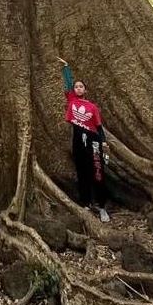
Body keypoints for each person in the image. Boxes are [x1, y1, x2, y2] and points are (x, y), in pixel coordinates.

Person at [58, 56, 110, 222]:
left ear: (85, 90)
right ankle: (86, 204)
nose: (78, 88)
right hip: (78, 140)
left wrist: (103, 141)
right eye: (76, 87)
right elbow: (67, 84)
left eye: (81, 87)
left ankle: (102, 207)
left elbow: (99, 126)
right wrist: (66, 68)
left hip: (94, 141)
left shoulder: (92, 107)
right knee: (82, 172)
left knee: (98, 172)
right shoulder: (72, 100)